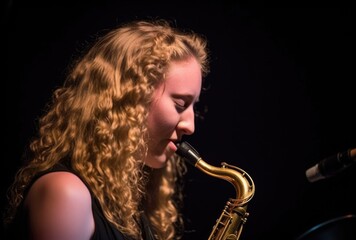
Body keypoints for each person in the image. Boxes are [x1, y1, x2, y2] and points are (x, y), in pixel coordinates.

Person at [3, 19, 209, 240]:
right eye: (180, 104)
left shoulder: (127, 209)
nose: (190, 126)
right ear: (130, 98)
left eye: (193, 107)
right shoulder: (66, 193)